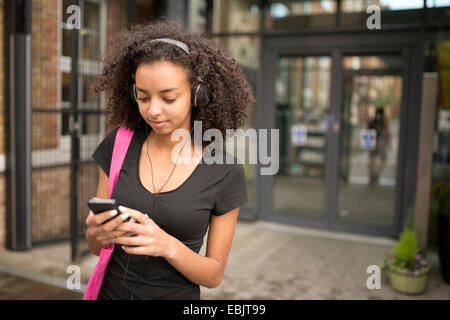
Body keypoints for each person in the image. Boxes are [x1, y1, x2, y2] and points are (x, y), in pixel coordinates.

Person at [85, 18, 254, 300]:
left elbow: (213, 275)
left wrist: (166, 244)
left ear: (196, 96)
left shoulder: (225, 172)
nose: (153, 110)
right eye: (143, 97)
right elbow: (95, 245)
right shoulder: (118, 145)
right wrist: (95, 234)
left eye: (168, 98)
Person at [368, 107, 390, 185]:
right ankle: (375, 175)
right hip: (380, 141)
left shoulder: (371, 121)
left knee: (372, 160)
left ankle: (372, 177)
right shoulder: (384, 122)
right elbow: (387, 132)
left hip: (372, 142)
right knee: (383, 160)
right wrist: (388, 142)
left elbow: (367, 131)